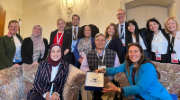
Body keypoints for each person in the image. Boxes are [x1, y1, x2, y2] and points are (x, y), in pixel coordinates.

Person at [95, 43, 173, 100]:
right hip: (140, 98)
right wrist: (104, 70)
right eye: (130, 51)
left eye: (135, 51)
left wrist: (119, 89)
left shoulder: (148, 67)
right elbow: (116, 69)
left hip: (156, 97)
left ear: (141, 53)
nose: (133, 54)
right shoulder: (128, 63)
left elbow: (139, 88)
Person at [80, 33, 120, 100]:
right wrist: (92, 74)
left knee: (112, 88)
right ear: (95, 42)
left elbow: (117, 68)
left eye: (102, 40)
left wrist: (110, 77)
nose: (100, 42)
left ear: (105, 42)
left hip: (107, 80)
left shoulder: (113, 53)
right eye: (98, 40)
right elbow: (83, 67)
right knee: (84, 87)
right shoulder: (88, 54)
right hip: (93, 79)